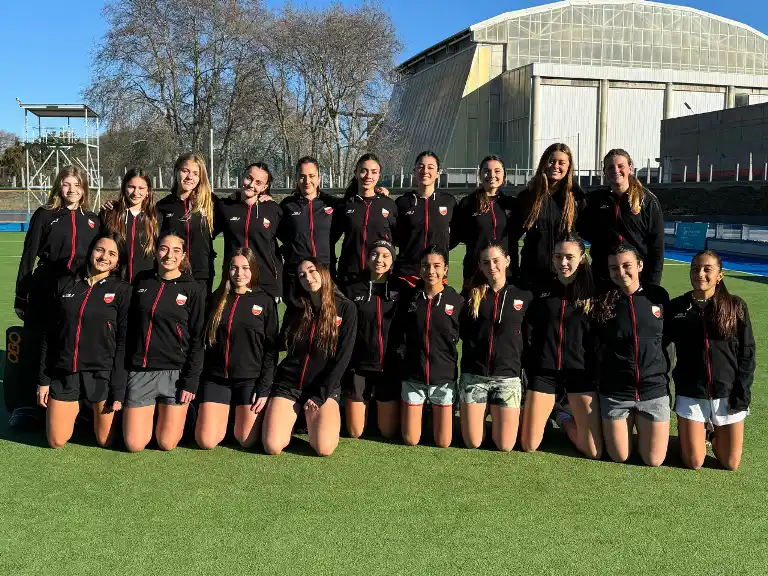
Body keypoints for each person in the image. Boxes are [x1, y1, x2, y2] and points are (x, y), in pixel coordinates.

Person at [11, 165, 101, 428]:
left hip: (78, 290)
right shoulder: (45, 215)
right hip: (45, 289)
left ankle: (75, 403)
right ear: (58, 186)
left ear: (84, 188)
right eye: (66, 184)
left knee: (69, 345)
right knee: (36, 344)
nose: (71, 190)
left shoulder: (93, 219)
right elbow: (28, 256)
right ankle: (27, 405)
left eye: (77, 184)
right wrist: (21, 296)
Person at [37, 233, 131, 448]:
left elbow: (124, 342)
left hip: (101, 372)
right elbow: (49, 335)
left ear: (118, 261)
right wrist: (43, 380)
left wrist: (118, 388)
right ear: (90, 251)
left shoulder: (123, 290)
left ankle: (89, 412)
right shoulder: (66, 284)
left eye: (112, 253)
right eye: (100, 250)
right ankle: (77, 410)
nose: (104, 256)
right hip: (65, 370)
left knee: (105, 441)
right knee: (56, 441)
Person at [665, 250, 755, 471]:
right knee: (694, 462)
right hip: (691, 393)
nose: (700, 274)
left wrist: (741, 394)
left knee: (730, 463)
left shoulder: (736, 306)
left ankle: (711, 434)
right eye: (695, 269)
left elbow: (747, 353)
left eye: (707, 269)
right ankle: (693, 432)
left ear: (720, 275)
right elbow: (662, 349)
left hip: (727, 393)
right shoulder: (677, 307)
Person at [262, 259, 357, 457]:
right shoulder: (296, 307)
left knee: (324, 448)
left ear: (323, 272)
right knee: (272, 446)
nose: (308, 277)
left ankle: (308, 418)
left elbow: (343, 357)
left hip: (322, 389)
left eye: (312, 271)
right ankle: (294, 416)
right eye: (301, 275)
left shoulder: (346, 308)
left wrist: (321, 394)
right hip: (289, 385)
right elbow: (279, 343)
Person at [521, 233, 602, 459]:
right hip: (545, 373)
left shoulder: (593, 293)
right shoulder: (541, 291)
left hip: (580, 374)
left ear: (582, 258)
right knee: (528, 444)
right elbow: (530, 331)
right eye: (558, 257)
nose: (563, 263)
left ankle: (562, 417)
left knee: (593, 451)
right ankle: (553, 411)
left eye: (569, 257)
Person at [122, 232, 205, 452]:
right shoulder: (142, 281)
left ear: (184, 255)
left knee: (166, 443)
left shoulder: (193, 289)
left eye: (176, 250)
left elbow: (198, 338)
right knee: (134, 444)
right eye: (164, 249)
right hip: (142, 371)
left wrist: (191, 380)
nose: (169, 255)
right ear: (156, 251)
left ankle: (185, 413)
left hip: (175, 374)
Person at [592, 245, 670, 467]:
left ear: (640, 265)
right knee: (620, 456)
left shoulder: (658, 296)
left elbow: (668, 339)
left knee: (653, 460)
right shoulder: (603, 302)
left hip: (653, 391)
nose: (621, 272)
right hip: (616, 393)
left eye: (627, 266)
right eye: (614, 268)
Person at [195, 248, 278, 449]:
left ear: (254, 270)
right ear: (227, 270)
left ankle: (235, 415)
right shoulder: (216, 298)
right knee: (206, 441)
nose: (239, 273)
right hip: (216, 379)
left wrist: (264, 387)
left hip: (248, 379)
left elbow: (271, 349)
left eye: (245, 268)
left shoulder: (265, 301)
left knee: (246, 440)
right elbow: (201, 341)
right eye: (234, 267)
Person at [459, 243, 531, 451]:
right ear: (480, 266)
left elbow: (528, 337)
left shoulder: (524, 296)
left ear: (507, 261)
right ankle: (483, 410)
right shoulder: (471, 296)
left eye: (496, 260)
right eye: (486, 262)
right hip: (475, 377)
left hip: (507, 379)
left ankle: (495, 412)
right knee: (473, 442)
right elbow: (463, 331)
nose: (492, 266)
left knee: (505, 445)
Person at [393, 245, 463, 448]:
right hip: (414, 378)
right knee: (410, 439)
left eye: (436, 266)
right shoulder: (410, 299)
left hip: (443, 379)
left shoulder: (456, 301)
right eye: (426, 266)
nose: (431, 271)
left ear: (446, 270)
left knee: (443, 442)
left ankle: (438, 412)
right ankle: (419, 413)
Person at [579, 148, 665, 289]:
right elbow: (581, 227)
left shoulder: (647, 201)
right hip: (602, 277)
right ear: (605, 171)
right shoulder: (595, 200)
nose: (616, 170)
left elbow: (657, 246)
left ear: (630, 168)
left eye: (620, 166)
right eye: (610, 167)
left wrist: (653, 285)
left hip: (636, 279)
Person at [343, 240, 403, 439]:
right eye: (375, 255)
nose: (379, 259)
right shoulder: (353, 289)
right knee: (355, 431)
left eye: (386, 256)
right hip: (359, 366)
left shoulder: (401, 289)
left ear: (392, 262)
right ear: (368, 259)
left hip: (388, 366)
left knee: (388, 432)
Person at [513, 143, 586, 293]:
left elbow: (588, 233)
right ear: (544, 163)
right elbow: (511, 235)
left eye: (561, 162)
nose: (555, 166)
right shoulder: (528, 197)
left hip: (567, 276)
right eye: (551, 161)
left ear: (569, 166)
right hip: (533, 276)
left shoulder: (577, 197)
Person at [213, 162, 283, 301]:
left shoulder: (273, 209)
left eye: (258, 182)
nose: (251, 184)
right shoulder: (225, 207)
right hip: (234, 279)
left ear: (265, 187)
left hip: (265, 284)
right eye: (249, 178)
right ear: (242, 176)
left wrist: (279, 283)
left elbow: (292, 240)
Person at [331, 153, 398, 292]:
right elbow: (330, 238)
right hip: (350, 278)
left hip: (380, 277)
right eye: (364, 171)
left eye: (374, 172)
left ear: (379, 175)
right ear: (356, 173)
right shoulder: (346, 205)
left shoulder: (389, 205)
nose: (368, 176)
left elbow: (398, 239)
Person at [277, 157, 338, 303]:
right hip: (297, 275)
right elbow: (279, 233)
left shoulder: (332, 204)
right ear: (296, 178)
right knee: (296, 321)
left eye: (311, 176)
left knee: (325, 320)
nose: (307, 181)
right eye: (302, 176)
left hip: (325, 273)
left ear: (319, 178)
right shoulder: (287, 206)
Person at [451, 155, 518, 287]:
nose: (492, 175)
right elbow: (457, 235)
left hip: (506, 274)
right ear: (480, 175)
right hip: (475, 274)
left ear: (504, 175)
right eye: (487, 171)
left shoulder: (512, 204)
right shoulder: (468, 204)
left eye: (497, 171)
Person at [393, 152, 457, 290]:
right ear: (414, 171)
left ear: (438, 172)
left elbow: (456, 236)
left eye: (431, 167)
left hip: (436, 274)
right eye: (421, 167)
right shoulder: (402, 203)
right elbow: (394, 236)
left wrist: (439, 249)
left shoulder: (449, 202)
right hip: (407, 275)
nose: (425, 171)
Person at [156, 152, 216, 295]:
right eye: (185, 171)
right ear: (176, 172)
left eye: (196, 173)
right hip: (172, 273)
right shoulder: (163, 206)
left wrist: (264, 194)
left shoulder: (211, 203)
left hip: (201, 276)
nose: (190, 177)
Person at [100, 168, 160, 282]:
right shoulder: (109, 213)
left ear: (148, 191)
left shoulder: (156, 218)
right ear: (124, 188)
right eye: (131, 187)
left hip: (145, 283)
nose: (136, 193)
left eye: (141, 188)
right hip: (114, 281)